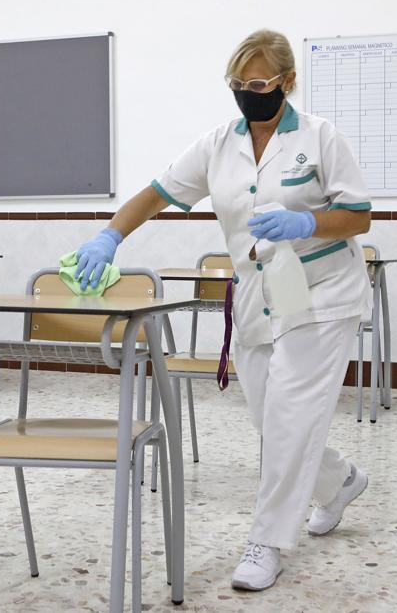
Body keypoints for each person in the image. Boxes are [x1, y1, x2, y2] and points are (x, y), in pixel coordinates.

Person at [73, 29, 375, 591]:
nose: (247, 92)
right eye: (238, 83)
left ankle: (267, 541)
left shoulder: (320, 137)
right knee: (269, 416)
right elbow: (157, 192)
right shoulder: (218, 144)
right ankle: (338, 483)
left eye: (258, 83)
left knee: (287, 420)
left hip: (323, 289)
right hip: (263, 294)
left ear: (286, 82)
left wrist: (306, 222)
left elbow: (358, 215)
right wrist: (109, 237)